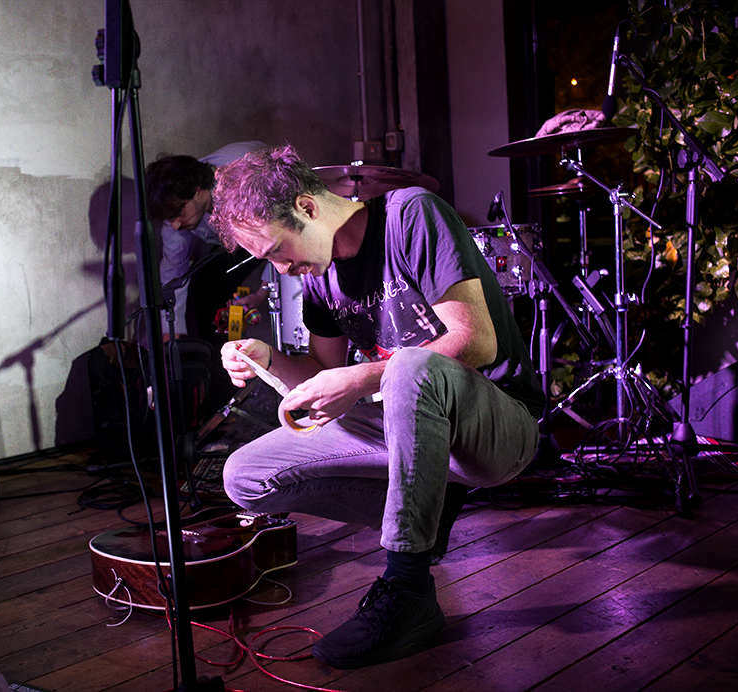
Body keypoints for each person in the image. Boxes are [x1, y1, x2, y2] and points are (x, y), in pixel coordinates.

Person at [208, 144, 544, 669]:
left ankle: (408, 587)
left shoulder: (410, 214)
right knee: (245, 476)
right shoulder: (319, 273)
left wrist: (365, 376)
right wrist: (267, 357)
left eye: (277, 251)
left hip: (497, 423)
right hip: (404, 423)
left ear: (307, 207)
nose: (281, 268)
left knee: (409, 366)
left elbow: (476, 341)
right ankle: (428, 509)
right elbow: (324, 373)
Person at [145, 141, 267, 343]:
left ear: (199, 191)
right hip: (239, 239)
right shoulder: (176, 208)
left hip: (278, 224)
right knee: (205, 291)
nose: (175, 225)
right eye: (170, 218)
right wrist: (171, 335)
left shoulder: (244, 178)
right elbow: (174, 273)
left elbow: (284, 234)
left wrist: (262, 293)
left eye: (178, 214)